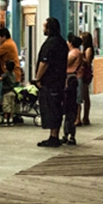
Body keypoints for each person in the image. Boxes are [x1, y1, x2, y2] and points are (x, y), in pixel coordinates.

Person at [34, 17, 68, 148]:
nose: (43, 29)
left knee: (51, 109)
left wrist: (37, 79)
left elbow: (44, 62)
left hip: (50, 82)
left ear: (49, 28)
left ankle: (53, 137)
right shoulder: (62, 42)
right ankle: (54, 135)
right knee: (57, 109)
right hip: (59, 81)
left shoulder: (51, 43)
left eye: (44, 26)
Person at [79, 32, 96, 126]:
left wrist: (81, 57)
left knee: (85, 96)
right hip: (84, 72)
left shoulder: (88, 49)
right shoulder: (84, 49)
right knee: (84, 96)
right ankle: (85, 116)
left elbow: (88, 62)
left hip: (86, 73)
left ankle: (86, 117)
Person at [62, 74, 79, 146]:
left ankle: (67, 136)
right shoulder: (75, 92)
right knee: (71, 123)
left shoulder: (67, 91)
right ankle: (71, 136)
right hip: (73, 110)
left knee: (67, 123)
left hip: (68, 109)